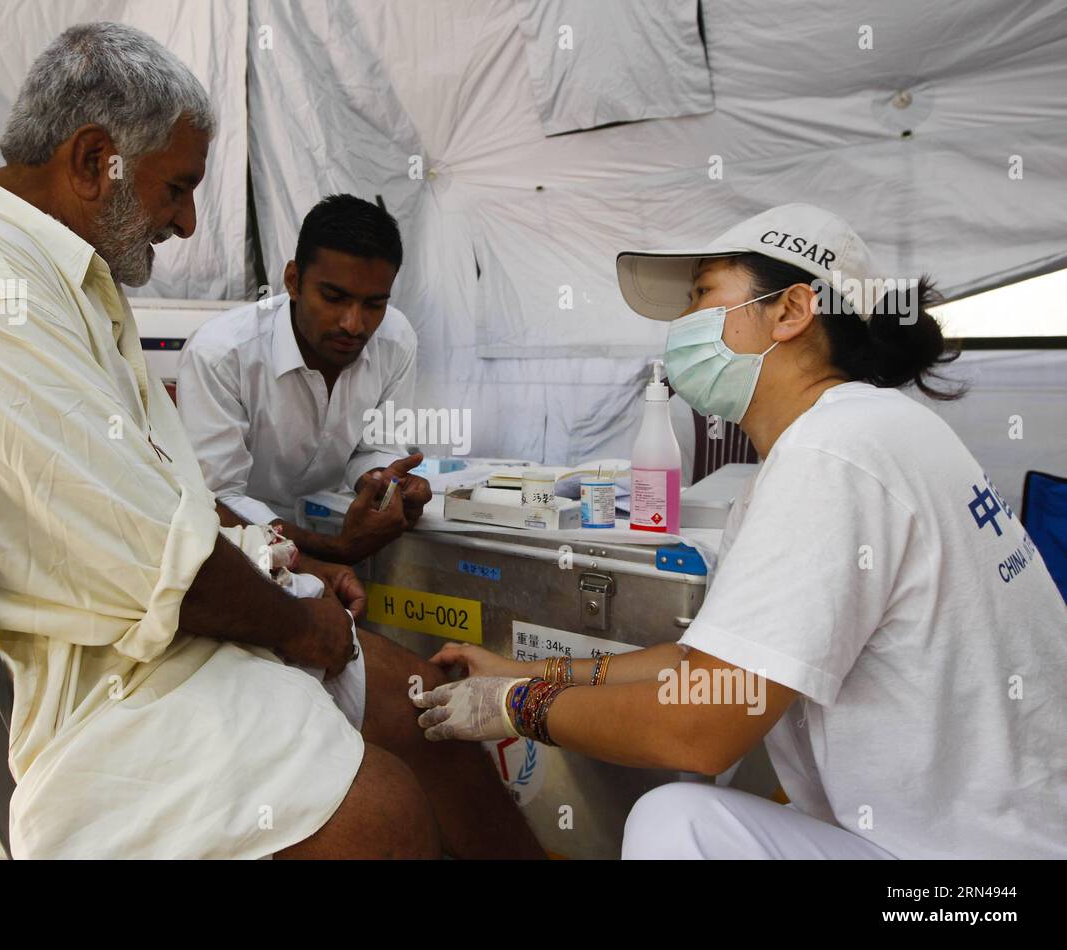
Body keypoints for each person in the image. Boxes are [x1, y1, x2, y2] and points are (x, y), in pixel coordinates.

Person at [0, 22, 540, 859]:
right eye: (177, 189)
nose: (186, 225)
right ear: (90, 161)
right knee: (383, 812)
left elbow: (154, 493)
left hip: (114, 656)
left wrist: (280, 555)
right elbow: (165, 571)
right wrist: (301, 627)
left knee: (427, 709)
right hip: (63, 718)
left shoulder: (29, 274)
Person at [412, 204, 1067, 859]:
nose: (682, 324)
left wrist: (515, 704)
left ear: (790, 311)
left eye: (702, 294)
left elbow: (699, 726)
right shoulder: (871, 429)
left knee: (674, 825)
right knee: (687, 822)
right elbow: (701, 667)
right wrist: (525, 669)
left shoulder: (832, 454)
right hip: (994, 837)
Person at [175, 195, 433, 563]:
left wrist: (385, 483)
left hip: (341, 536)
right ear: (293, 281)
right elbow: (217, 501)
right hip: (238, 556)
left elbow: (373, 448)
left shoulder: (396, 338)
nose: (353, 324)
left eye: (374, 304)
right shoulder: (221, 354)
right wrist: (333, 550)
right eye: (333, 297)